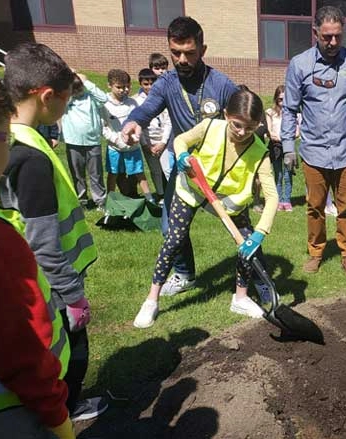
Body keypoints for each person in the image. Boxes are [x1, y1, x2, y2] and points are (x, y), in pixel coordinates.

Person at [0, 42, 106, 422]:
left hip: (28, 278)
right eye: (66, 99)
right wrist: (73, 295)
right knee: (69, 350)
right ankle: (66, 411)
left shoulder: (7, 140)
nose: (66, 107)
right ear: (45, 96)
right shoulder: (30, 160)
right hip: (53, 282)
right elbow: (43, 242)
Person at [133, 86, 277, 328]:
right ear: (225, 115)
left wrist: (260, 233)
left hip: (229, 202)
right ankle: (151, 300)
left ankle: (240, 298)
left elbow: (272, 196)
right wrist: (181, 155)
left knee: (246, 246)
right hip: (192, 189)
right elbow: (181, 140)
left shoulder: (260, 152)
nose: (242, 132)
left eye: (250, 128)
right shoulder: (210, 127)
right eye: (237, 125)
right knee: (174, 240)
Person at [123, 16, 239, 295]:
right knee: (169, 228)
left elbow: (242, 117)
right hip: (184, 168)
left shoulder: (221, 84)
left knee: (240, 228)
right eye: (176, 52)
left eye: (189, 52)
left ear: (203, 50)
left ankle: (249, 283)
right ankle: (185, 275)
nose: (182, 59)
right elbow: (147, 108)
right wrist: (134, 121)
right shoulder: (166, 84)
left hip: (220, 170)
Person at [0, 74, 76, 439]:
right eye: (2, 135)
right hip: (15, 411)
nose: (8, 147)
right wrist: (61, 422)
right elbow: (20, 347)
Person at [281, 5, 346, 279]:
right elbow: (290, 108)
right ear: (315, 33)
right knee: (314, 206)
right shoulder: (300, 65)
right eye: (326, 37)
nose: (333, 42)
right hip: (313, 151)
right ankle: (316, 252)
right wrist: (288, 148)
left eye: (337, 36)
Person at [101, 68, 154, 202]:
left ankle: (149, 198)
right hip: (115, 147)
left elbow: (138, 123)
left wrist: (135, 137)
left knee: (139, 172)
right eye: (119, 87)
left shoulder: (132, 103)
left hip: (132, 147)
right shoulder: (104, 104)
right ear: (109, 85)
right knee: (113, 173)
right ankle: (110, 199)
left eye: (126, 87)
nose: (123, 90)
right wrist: (116, 140)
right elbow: (103, 127)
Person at [61, 72, 108, 210]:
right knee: (77, 174)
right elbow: (62, 103)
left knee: (96, 174)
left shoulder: (91, 97)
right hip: (73, 142)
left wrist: (86, 82)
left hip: (92, 141)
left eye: (79, 88)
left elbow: (104, 98)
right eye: (74, 90)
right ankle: (82, 200)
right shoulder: (68, 101)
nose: (77, 92)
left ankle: (100, 201)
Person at [134, 68, 171, 200]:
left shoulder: (164, 98)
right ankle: (161, 194)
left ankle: (173, 195)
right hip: (148, 141)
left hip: (163, 140)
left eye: (152, 83)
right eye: (146, 84)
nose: (149, 87)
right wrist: (146, 145)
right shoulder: (137, 101)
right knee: (155, 171)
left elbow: (168, 121)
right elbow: (139, 126)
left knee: (168, 169)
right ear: (140, 84)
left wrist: (163, 142)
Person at [265, 85, 298, 212]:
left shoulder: (292, 113)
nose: (282, 102)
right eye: (280, 99)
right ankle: (278, 201)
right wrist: (277, 137)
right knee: (278, 175)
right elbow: (269, 131)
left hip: (288, 147)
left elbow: (297, 131)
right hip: (276, 147)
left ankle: (287, 200)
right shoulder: (270, 112)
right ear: (276, 99)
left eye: (285, 99)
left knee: (288, 174)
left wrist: (288, 138)